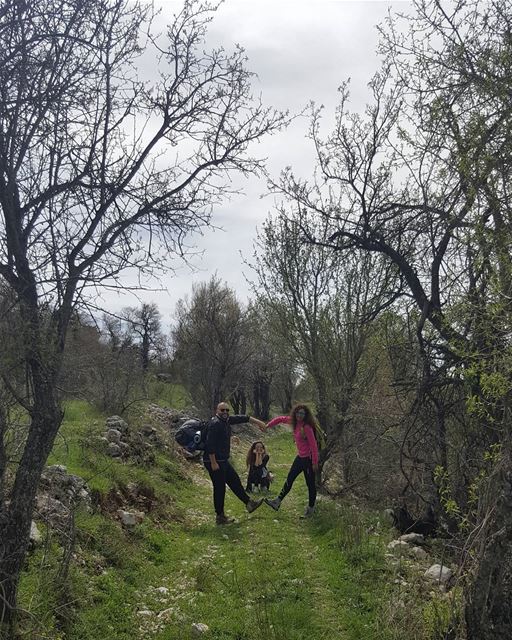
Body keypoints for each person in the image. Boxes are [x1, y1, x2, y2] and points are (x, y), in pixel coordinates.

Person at [204, 402, 266, 525]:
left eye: (227, 410)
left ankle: (249, 503)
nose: (225, 412)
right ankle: (220, 517)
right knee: (219, 488)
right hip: (215, 461)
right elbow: (209, 445)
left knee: (235, 481)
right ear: (217, 411)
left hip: (223, 461)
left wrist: (259, 422)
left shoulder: (226, 421)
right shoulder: (215, 424)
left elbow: (243, 418)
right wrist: (213, 462)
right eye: (222, 410)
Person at [263, 403, 319, 518]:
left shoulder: (307, 427)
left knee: (310, 485)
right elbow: (280, 419)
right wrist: (267, 426)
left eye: (302, 413)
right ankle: (277, 502)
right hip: (300, 458)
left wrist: (314, 462)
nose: (300, 415)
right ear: (295, 413)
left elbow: (314, 446)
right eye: (298, 413)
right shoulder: (294, 422)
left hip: (308, 460)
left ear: (306, 415)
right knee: (290, 478)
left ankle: (311, 509)